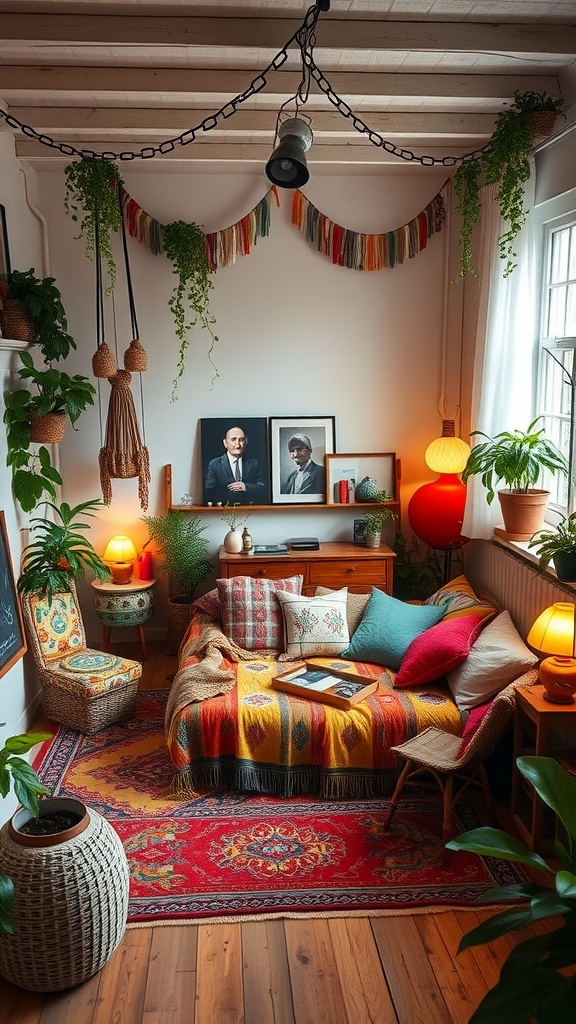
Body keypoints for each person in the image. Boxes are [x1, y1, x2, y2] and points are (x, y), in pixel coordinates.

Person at [204, 425, 266, 505]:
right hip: (223, 511)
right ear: (225, 443)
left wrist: (246, 487)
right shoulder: (215, 464)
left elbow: (263, 488)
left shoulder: (254, 463)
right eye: (233, 440)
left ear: (246, 442)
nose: (237, 445)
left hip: (249, 510)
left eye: (241, 440)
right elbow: (209, 491)